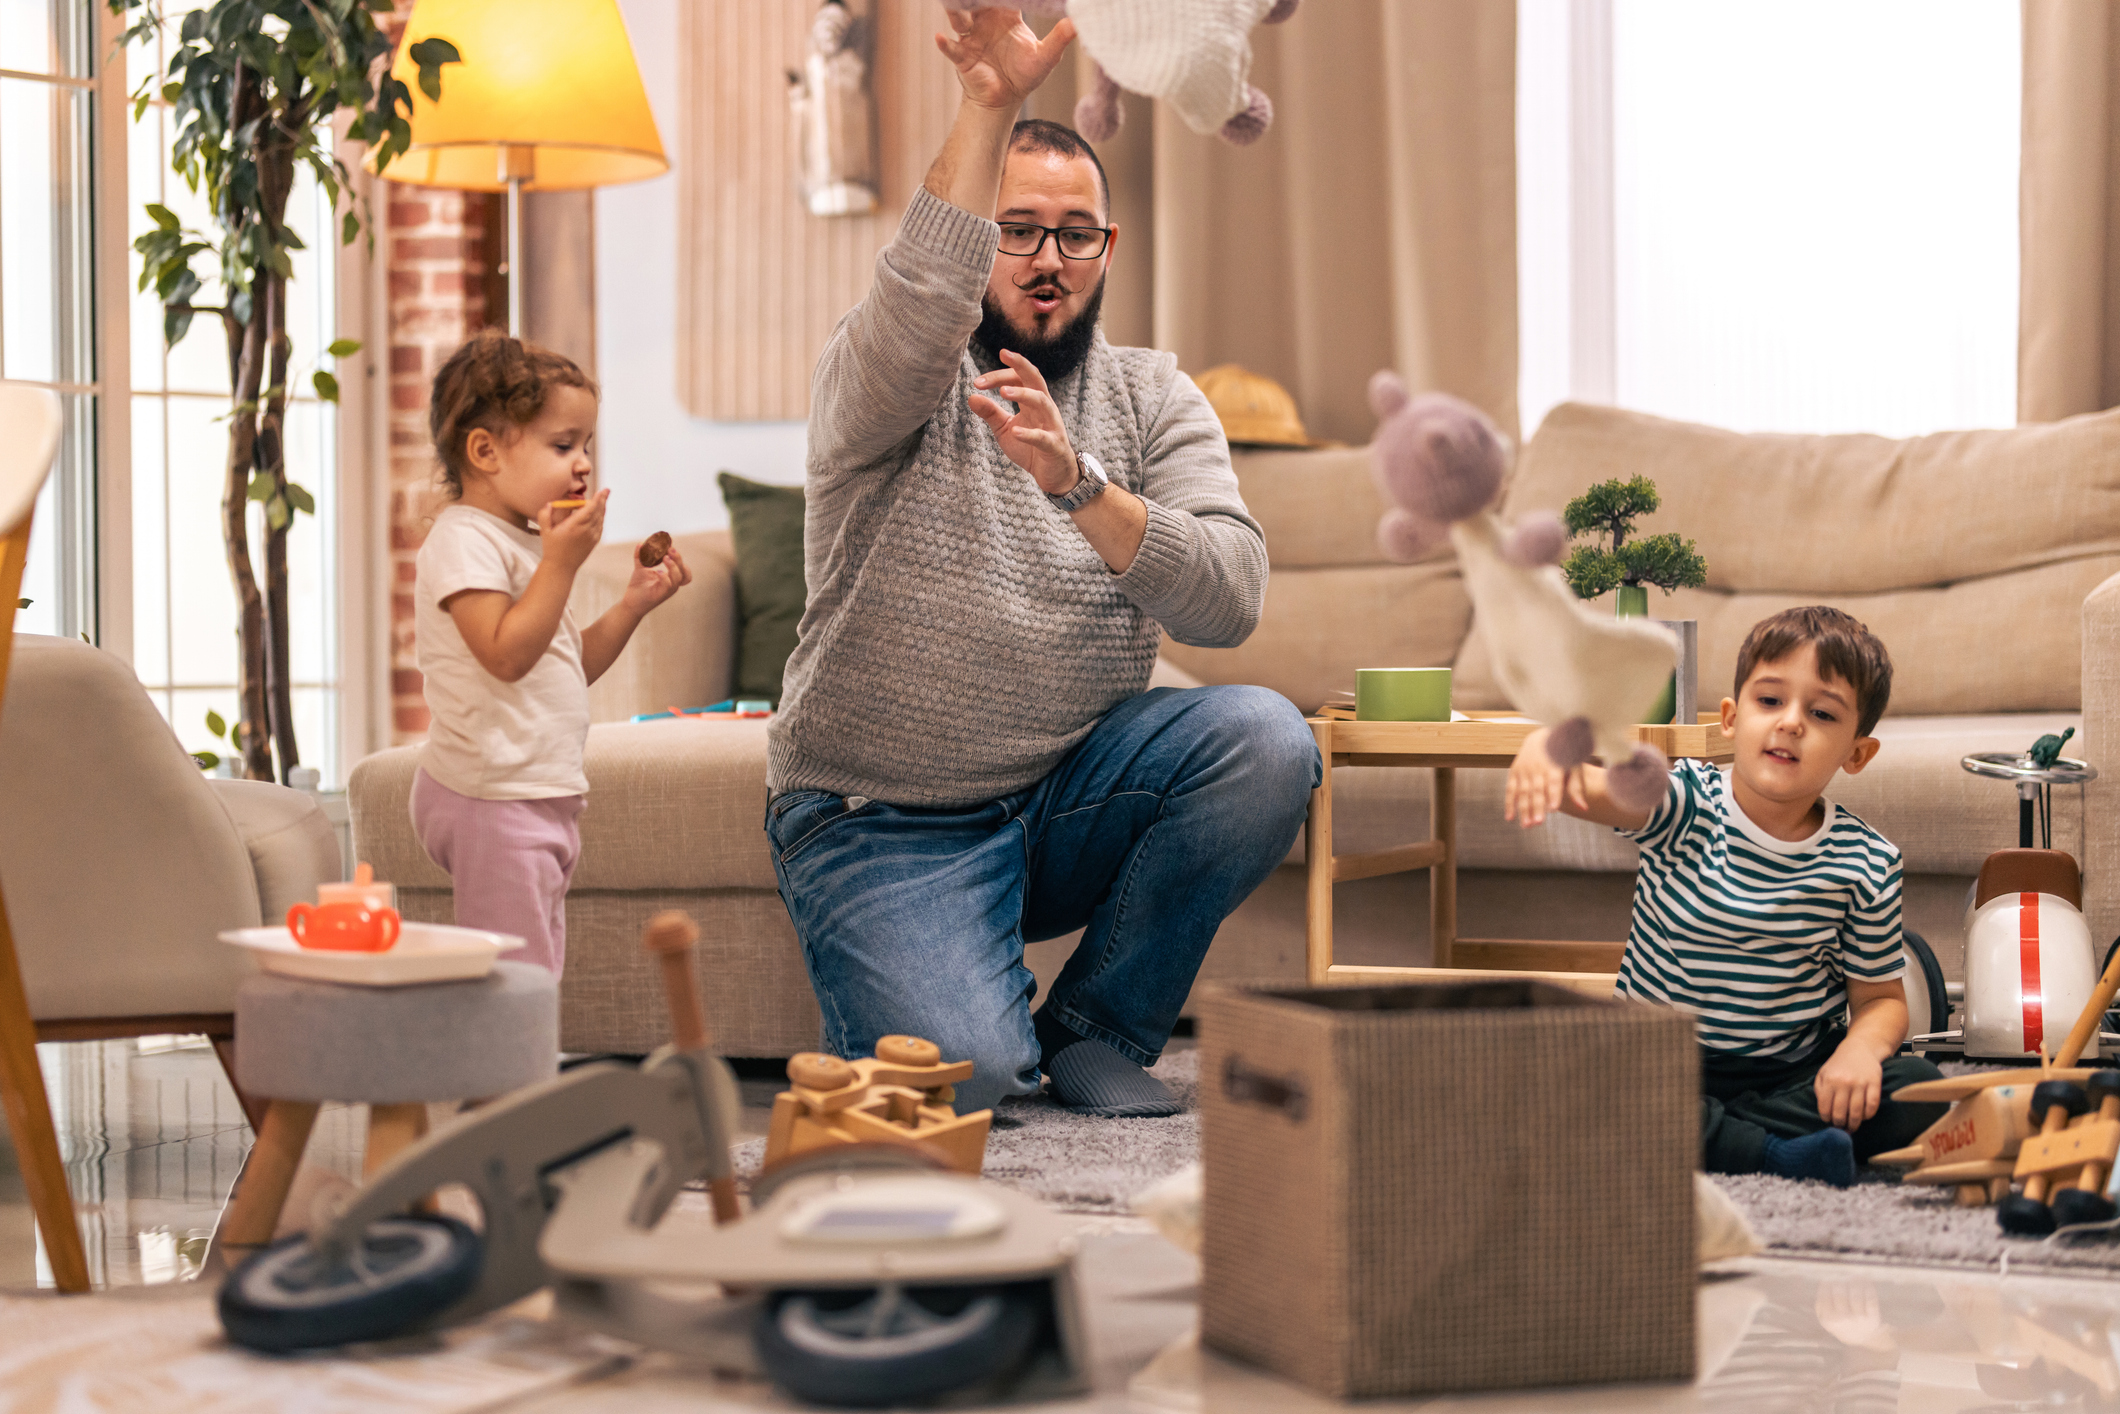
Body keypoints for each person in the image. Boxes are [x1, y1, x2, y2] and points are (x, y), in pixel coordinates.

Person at [764, 6, 1319, 1116]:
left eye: (1076, 234)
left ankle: (1097, 1024)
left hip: (1063, 791)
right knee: (969, 1079)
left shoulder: (1153, 395)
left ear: (1108, 250)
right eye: (1015, 229)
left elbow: (1229, 595)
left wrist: (1078, 483)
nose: (1047, 261)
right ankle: (992, 1014)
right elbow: (921, 300)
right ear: (977, 240)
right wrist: (988, 103)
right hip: (880, 811)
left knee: (1264, 739)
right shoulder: (888, 379)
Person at [1504, 606, 1946, 1186]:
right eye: (1770, 701)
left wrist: (1859, 1054)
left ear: (1856, 753)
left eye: (1821, 713)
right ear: (1732, 719)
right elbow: (1587, 789)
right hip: (1656, 1061)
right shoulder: (1684, 802)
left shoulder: (1866, 861)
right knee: (1570, 1082)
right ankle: (1771, 1151)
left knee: (1922, 1090)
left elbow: (1882, 1002)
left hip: (1791, 1074)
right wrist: (1545, 750)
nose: (1790, 723)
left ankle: (1726, 1133)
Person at [411, 329, 692, 975]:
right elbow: (505, 657)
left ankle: (519, 1072)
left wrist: (630, 606)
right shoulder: (464, 541)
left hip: (536, 791)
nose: (585, 463)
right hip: (492, 794)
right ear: (485, 451)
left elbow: (563, 664)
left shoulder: (519, 545)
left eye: (587, 445)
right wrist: (561, 566)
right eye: (562, 445)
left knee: (537, 967)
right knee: (516, 978)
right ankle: (508, 1078)